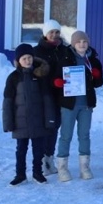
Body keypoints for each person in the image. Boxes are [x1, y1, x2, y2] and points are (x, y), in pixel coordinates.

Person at [53, 30, 103, 182]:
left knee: (84, 135)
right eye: (78, 42)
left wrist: (96, 76)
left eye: (84, 42)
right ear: (73, 44)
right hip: (69, 104)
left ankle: (84, 167)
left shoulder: (92, 59)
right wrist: (58, 83)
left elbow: (99, 83)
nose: (82, 44)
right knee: (66, 135)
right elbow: (56, 77)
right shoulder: (66, 57)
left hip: (86, 104)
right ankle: (62, 168)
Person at [2, 44, 56, 185]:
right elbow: (7, 101)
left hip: (38, 121)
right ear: (18, 61)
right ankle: (20, 175)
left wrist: (50, 120)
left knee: (38, 150)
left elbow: (47, 100)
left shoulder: (39, 76)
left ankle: (37, 173)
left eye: (30, 57)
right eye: (24, 58)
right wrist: (8, 122)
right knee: (21, 150)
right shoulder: (13, 78)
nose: (27, 61)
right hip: (20, 123)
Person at [33, 19, 66, 176]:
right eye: (51, 32)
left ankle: (49, 159)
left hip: (60, 95)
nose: (54, 35)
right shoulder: (37, 52)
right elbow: (33, 74)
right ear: (45, 34)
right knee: (45, 127)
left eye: (57, 32)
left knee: (55, 127)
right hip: (44, 95)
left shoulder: (64, 50)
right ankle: (39, 161)